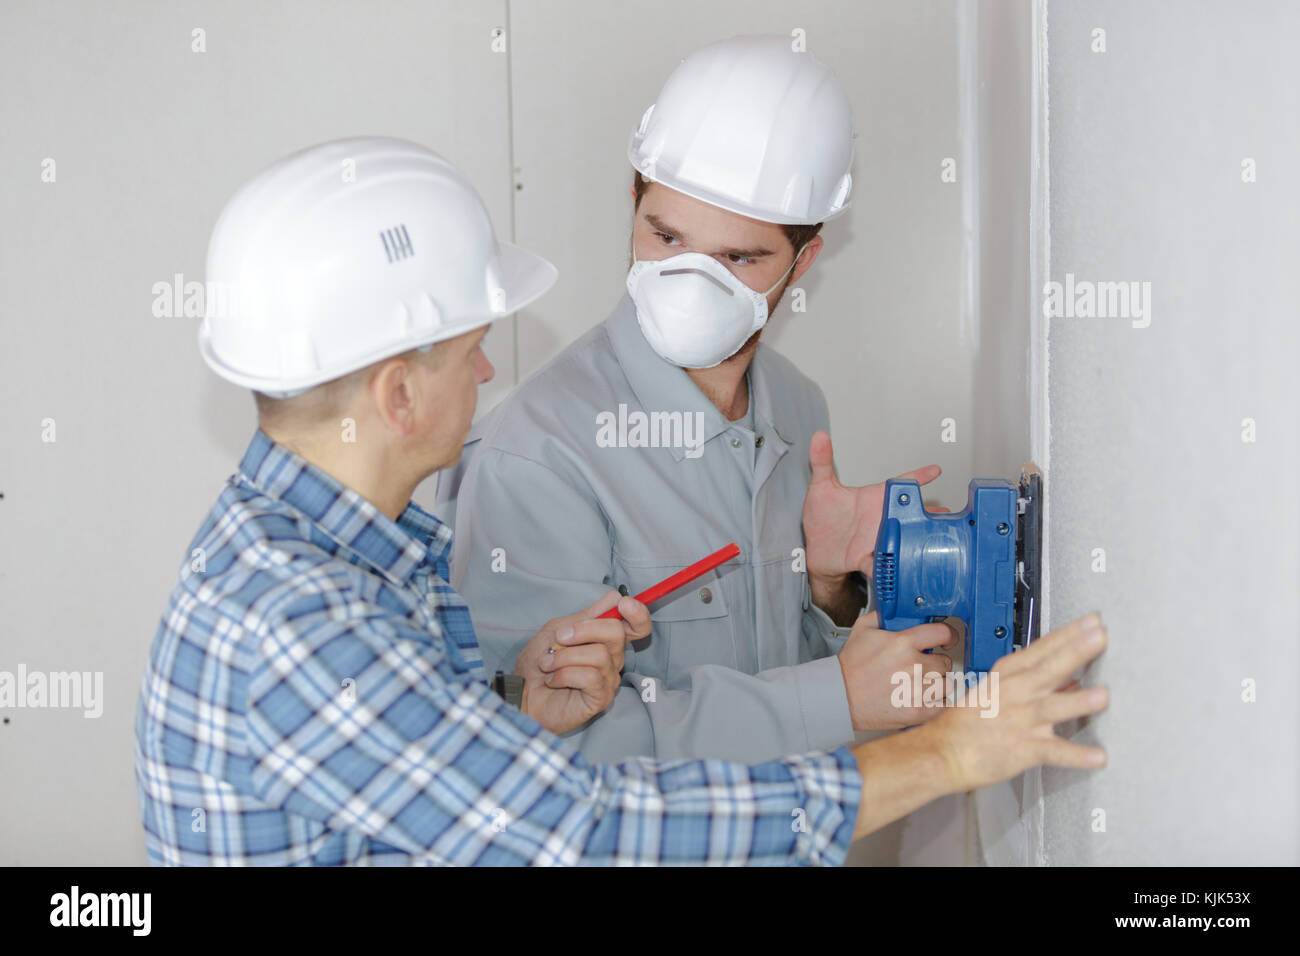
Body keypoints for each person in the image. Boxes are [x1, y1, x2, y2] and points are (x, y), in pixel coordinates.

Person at [134, 136, 1109, 866]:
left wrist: (523, 710)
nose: (486, 367)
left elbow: (423, 788)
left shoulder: (333, 556)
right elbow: (586, 828)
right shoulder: (302, 620)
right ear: (396, 394)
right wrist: (946, 754)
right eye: (472, 346)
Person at [440, 34, 955, 763]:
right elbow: (554, 747)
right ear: (634, 203)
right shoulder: (538, 453)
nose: (690, 282)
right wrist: (837, 698)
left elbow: (779, 670)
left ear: (803, 262)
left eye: (739, 257)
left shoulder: (796, 408)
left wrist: (832, 590)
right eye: (666, 236)